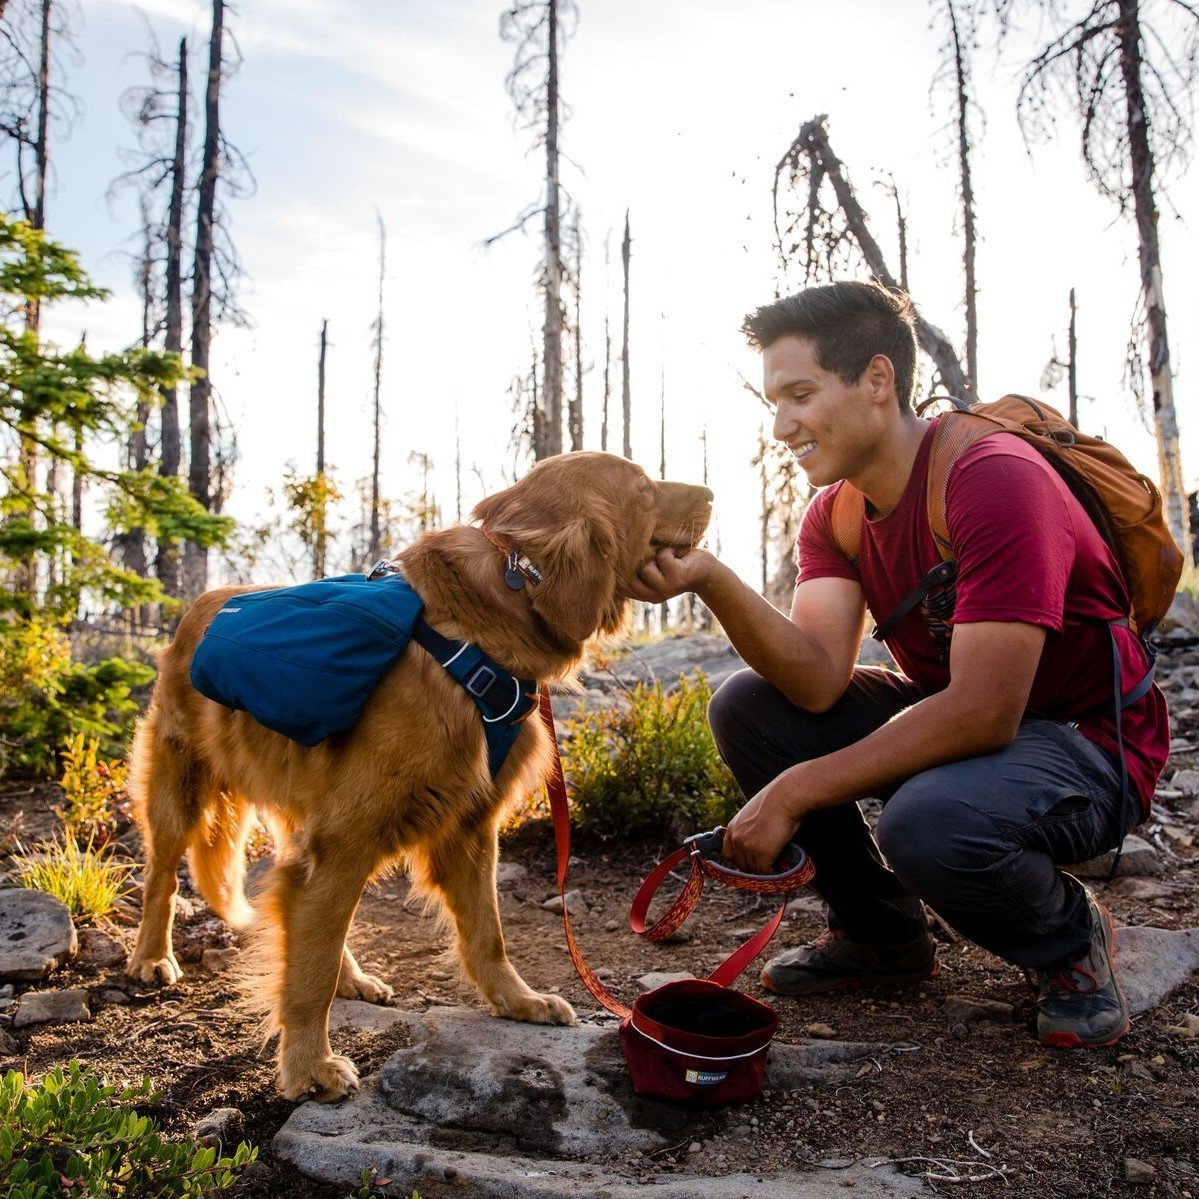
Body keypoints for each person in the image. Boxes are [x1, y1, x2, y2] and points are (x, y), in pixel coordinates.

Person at [629, 280, 1169, 1049]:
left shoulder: (992, 478)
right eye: (772, 401)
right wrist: (711, 578)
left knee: (926, 822)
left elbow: (985, 710)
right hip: (978, 725)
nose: (781, 424)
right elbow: (815, 677)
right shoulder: (837, 510)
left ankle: (1070, 940)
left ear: (877, 381)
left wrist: (795, 789)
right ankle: (881, 938)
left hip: (1088, 744)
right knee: (749, 706)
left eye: (800, 394)